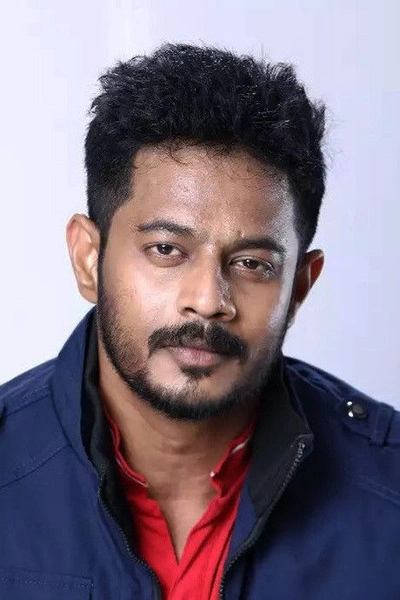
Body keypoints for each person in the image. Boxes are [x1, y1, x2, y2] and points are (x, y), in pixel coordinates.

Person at [0, 43, 399, 600]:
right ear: (89, 259)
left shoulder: (387, 493)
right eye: (166, 250)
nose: (208, 300)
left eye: (252, 264)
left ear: (299, 288)